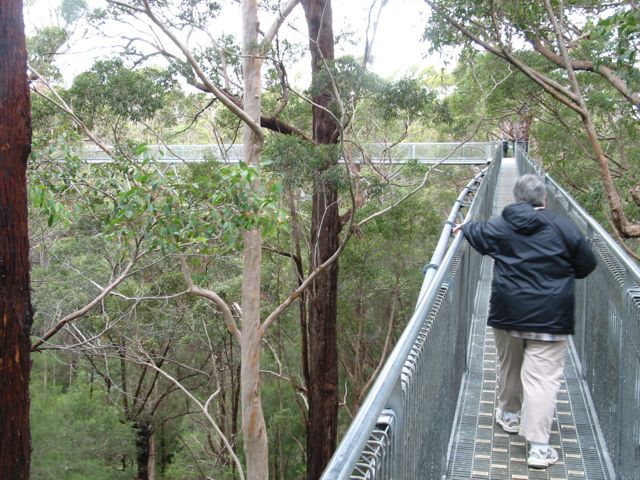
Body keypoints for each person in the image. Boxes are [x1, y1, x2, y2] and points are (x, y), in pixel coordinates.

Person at [452, 173, 597, 469]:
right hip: (551, 316)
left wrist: (465, 227)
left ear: (516, 199)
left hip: (508, 312)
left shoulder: (502, 224)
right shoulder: (562, 227)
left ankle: (508, 415)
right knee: (542, 379)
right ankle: (539, 448)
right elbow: (587, 263)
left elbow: (478, 233)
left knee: (509, 367)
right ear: (543, 198)